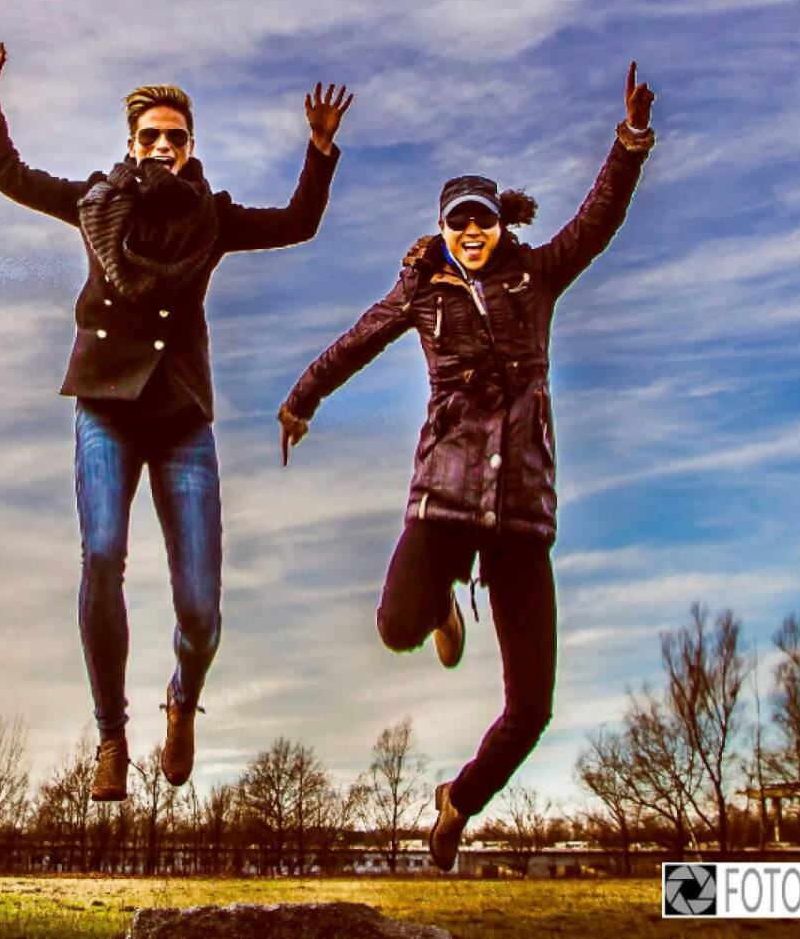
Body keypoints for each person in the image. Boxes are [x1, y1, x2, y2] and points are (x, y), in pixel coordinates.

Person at [278, 63, 654, 870]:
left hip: (522, 511)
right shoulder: (421, 291)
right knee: (396, 627)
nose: (472, 232)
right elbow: (357, 340)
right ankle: (445, 602)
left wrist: (628, 143)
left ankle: (458, 801)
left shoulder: (536, 276)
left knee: (532, 707)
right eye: (459, 222)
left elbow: (597, 220)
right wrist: (301, 401)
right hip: (444, 499)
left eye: (482, 219)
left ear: (497, 225)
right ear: (445, 229)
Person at [0, 42, 352, 801]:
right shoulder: (93, 203)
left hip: (180, 417)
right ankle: (111, 733)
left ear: (191, 146)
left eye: (177, 137)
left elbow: (299, 221)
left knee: (200, 610)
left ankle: (182, 698)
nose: (164, 147)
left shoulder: (214, 217)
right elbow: (11, 176)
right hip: (106, 404)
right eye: (151, 137)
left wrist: (320, 147)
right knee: (102, 554)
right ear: (132, 144)